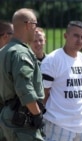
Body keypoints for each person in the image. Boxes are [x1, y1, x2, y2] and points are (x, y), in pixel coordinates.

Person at [40, 20, 82, 141]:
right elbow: (43, 93)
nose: (79, 40)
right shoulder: (52, 60)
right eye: (75, 35)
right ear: (66, 36)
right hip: (58, 124)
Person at [0, 8, 45, 141]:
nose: (36, 29)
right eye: (35, 24)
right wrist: (37, 115)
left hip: (8, 117)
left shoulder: (4, 51)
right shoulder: (21, 53)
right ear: (28, 25)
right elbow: (24, 88)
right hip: (21, 120)